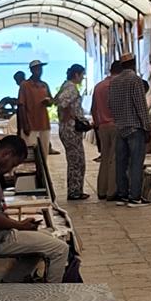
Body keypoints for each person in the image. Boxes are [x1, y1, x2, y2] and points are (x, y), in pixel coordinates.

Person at [0, 134, 69, 282]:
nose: (10, 170)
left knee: (46, 239)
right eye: (13, 164)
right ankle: (51, 294)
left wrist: (19, 225)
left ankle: (11, 283)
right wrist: (19, 225)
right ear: (7, 154)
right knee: (61, 249)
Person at [109, 53, 151, 205]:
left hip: (120, 127)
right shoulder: (135, 80)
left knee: (121, 163)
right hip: (135, 128)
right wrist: (146, 127)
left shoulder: (114, 82)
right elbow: (141, 105)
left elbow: (110, 105)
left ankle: (123, 194)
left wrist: (119, 120)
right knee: (136, 163)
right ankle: (135, 196)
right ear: (133, 64)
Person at [54, 64, 92, 201]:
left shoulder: (65, 86)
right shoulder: (71, 88)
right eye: (82, 75)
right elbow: (61, 102)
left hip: (67, 128)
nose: (82, 78)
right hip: (71, 129)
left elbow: (56, 100)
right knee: (77, 161)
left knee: (75, 160)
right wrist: (70, 115)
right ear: (76, 74)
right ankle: (75, 191)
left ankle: (75, 190)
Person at [91, 58, 122, 201]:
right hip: (116, 125)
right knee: (114, 159)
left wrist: (98, 124)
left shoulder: (98, 86)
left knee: (104, 158)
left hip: (102, 126)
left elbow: (93, 109)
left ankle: (101, 190)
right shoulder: (119, 85)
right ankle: (111, 191)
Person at [17, 59, 53, 161]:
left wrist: (48, 102)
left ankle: (43, 170)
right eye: (37, 69)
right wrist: (25, 124)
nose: (39, 71)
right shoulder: (25, 85)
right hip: (30, 124)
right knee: (30, 153)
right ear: (32, 70)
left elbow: (51, 101)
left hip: (44, 123)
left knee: (44, 151)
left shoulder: (44, 85)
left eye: (40, 69)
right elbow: (21, 105)